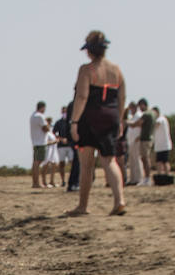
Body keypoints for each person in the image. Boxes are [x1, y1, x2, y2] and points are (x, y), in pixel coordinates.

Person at [68, 30, 127, 216]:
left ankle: (83, 206)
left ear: (90, 51)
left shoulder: (87, 70)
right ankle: (120, 200)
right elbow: (122, 97)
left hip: (90, 118)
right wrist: (120, 120)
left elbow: (82, 96)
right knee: (110, 160)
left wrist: (74, 122)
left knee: (86, 164)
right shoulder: (116, 70)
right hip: (111, 117)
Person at [29, 101, 50, 188]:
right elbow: (46, 128)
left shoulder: (32, 116)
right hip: (41, 142)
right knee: (38, 162)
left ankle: (35, 182)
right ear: (42, 107)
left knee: (35, 162)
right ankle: (36, 183)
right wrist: (48, 125)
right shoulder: (40, 116)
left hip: (35, 141)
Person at [135, 98, 154, 186]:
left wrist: (127, 123)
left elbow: (138, 123)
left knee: (145, 159)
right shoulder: (152, 113)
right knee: (145, 158)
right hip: (147, 138)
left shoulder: (146, 114)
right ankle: (146, 178)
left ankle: (147, 178)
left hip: (146, 139)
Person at [51, 106, 72, 188]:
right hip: (61, 146)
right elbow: (53, 133)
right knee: (62, 164)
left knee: (72, 163)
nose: (65, 113)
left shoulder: (71, 122)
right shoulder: (58, 122)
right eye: (63, 112)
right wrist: (60, 139)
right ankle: (63, 180)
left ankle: (72, 179)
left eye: (66, 112)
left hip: (70, 145)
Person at [123, 101, 143, 186]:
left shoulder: (139, 115)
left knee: (137, 160)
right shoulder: (132, 116)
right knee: (132, 161)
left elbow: (139, 126)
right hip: (131, 141)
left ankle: (139, 178)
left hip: (136, 140)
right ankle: (133, 179)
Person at [151, 106, 172, 176]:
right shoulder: (161, 119)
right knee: (159, 161)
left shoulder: (161, 119)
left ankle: (167, 175)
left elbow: (157, 125)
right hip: (159, 145)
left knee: (165, 161)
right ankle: (160, 175)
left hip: (164, 145)